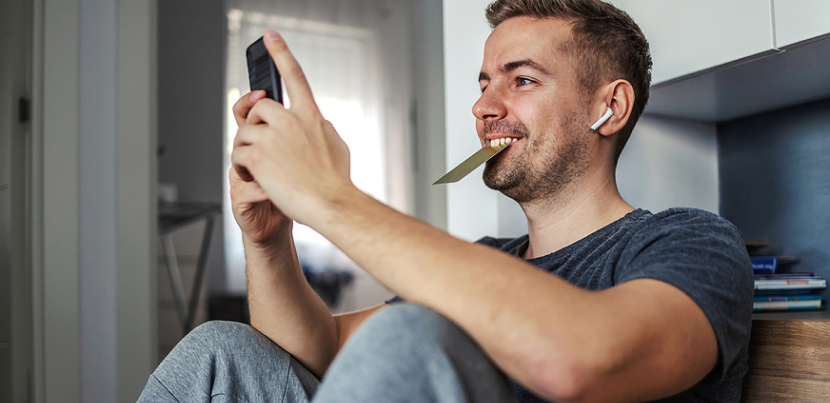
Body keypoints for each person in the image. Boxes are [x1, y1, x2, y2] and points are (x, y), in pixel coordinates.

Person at [139, 0, 753, 402]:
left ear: (608, 107)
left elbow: (586, 359)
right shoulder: (487, 261)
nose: (484, 108)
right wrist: (267, 239)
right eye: (485, 84)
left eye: (522, 79)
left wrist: (331, 198)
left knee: (408, 336)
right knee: (220, 350)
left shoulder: (690, 241)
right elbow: (318, 349)